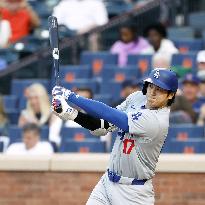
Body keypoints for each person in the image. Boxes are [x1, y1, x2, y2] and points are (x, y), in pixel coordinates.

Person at [51, 68, 178, 205]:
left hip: (134, 192)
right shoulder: (136, 98)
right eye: (151, 86)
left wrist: (70, 95)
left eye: (160, 89)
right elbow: (103, 125)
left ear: (170, 95)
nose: (152, 92)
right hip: (107, 182)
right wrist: (72, 113)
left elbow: (109, 114)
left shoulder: (157, 120)